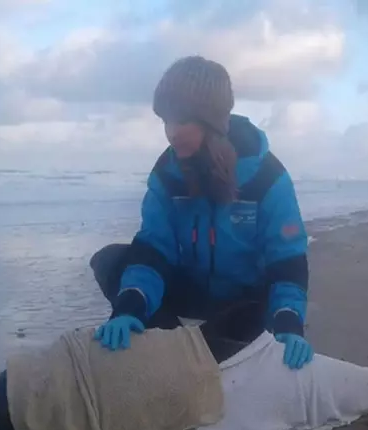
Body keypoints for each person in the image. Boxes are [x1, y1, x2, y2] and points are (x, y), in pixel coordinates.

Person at [89, 55, 313, 370]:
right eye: (165, 120)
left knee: (262, 321)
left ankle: (232, 349)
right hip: (193, 288)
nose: (170, 132)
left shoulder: (268, 177)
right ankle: (175, 352)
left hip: (246, 303)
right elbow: (154, 248)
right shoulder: (167, 173)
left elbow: (287, 261)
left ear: (210, 122)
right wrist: (128, 309)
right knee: (110, 260)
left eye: (181, 121)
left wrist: (289, 326)